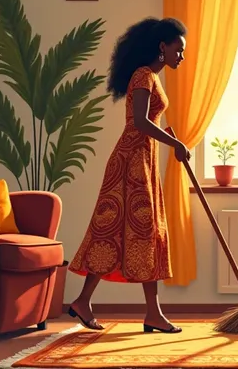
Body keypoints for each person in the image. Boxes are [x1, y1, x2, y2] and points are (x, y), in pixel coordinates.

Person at [67, 17, 191, 334]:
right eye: (179, 49)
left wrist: (168, 142)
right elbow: (138, 122)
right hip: (130, 163)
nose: (182, 56)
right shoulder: (143, 75)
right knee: (133, 232)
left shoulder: (150, 76)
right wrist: (175, 143)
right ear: (162, 47)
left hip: (142, 163)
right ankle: (152, 314)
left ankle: (88, 303)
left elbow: (145, 122)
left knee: (125, 233)